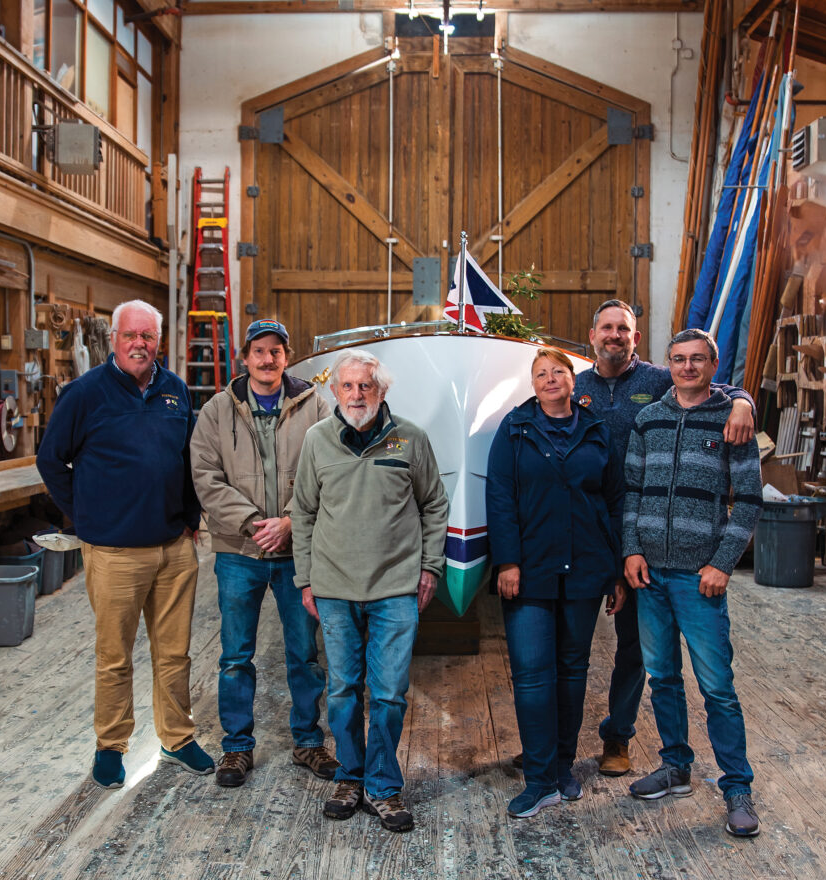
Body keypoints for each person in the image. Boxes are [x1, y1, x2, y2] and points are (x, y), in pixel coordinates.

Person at [571, 299, 756, 778]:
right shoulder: (575, 384)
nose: (614, 336)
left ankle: (619, 737)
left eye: (624, 329)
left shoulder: (658, 380)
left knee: (636, 648)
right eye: (606, 328)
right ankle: (554, 742)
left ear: (636, 338)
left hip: (646, 535)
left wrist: (744, 402)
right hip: (591, 528)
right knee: (572, 645)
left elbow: (718, 387)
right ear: (592, 335)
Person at [36, 299, 214, 789]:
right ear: (114, 339)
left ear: (159, 340)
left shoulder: (174, 390)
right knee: (114, 654)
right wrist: (87, 515)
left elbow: (186, 459)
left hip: (174, 549)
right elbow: (51, 460)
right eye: (131, 335)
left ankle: (177, 738)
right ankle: (110, 746)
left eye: (149, 336)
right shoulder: (84, 394)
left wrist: (190, 516)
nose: (140, 344)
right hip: (114, 552)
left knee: (174, 653)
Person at [291, 350, 449, 833]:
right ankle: (349, 775)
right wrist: (306, 578)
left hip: (395, 589)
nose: (356, 395)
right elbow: (302, 513)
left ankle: (382, 786)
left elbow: (434, 505)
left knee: (388, 693)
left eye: (366, 386)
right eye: (348, 386)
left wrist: (430, 568)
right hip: (335, 588)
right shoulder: (317, 441)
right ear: (334, 391)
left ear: (382, 391)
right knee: (341, 691)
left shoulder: (410, 439)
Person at [623, 328, 763, 837]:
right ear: (668, 363)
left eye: (697, 359)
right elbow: (632, 492)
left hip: (700, 578)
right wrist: (631, 550)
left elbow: (748, 498)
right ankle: (675, 766)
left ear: (713, 363)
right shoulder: (648, 419)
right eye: (678, 359)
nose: (687, 367)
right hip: (650, 576)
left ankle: (737, 787)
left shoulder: (730, 418)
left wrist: (723, 562)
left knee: (717, 688)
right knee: (662, 677)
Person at [190, 319, 338, 788]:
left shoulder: (315, 404)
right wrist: (254, 523)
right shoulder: (217, 409)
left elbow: (330, 468)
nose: (268, 358)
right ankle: (236, 748)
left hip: (298, 552)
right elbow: (205, 475)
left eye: (276, 350)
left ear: (286, 356)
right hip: (239, 551)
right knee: (235, 656)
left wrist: (292, 521)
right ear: (245, 356)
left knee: (305, 654)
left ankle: (308, 743)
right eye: (259, 350)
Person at [486, 347, 626, 819]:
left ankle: (564, 769)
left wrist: (615, 571)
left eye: (558, 372)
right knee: (531, 676)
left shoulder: (596, 431)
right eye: (541, 374)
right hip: (530, 569)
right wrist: (507, 562)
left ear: (573, 380)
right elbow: (500, 496)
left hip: (587, 569)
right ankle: (540, 779)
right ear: (534, 383)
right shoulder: (514, 429)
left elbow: (613, 501)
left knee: (572, 673)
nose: (550, 379)